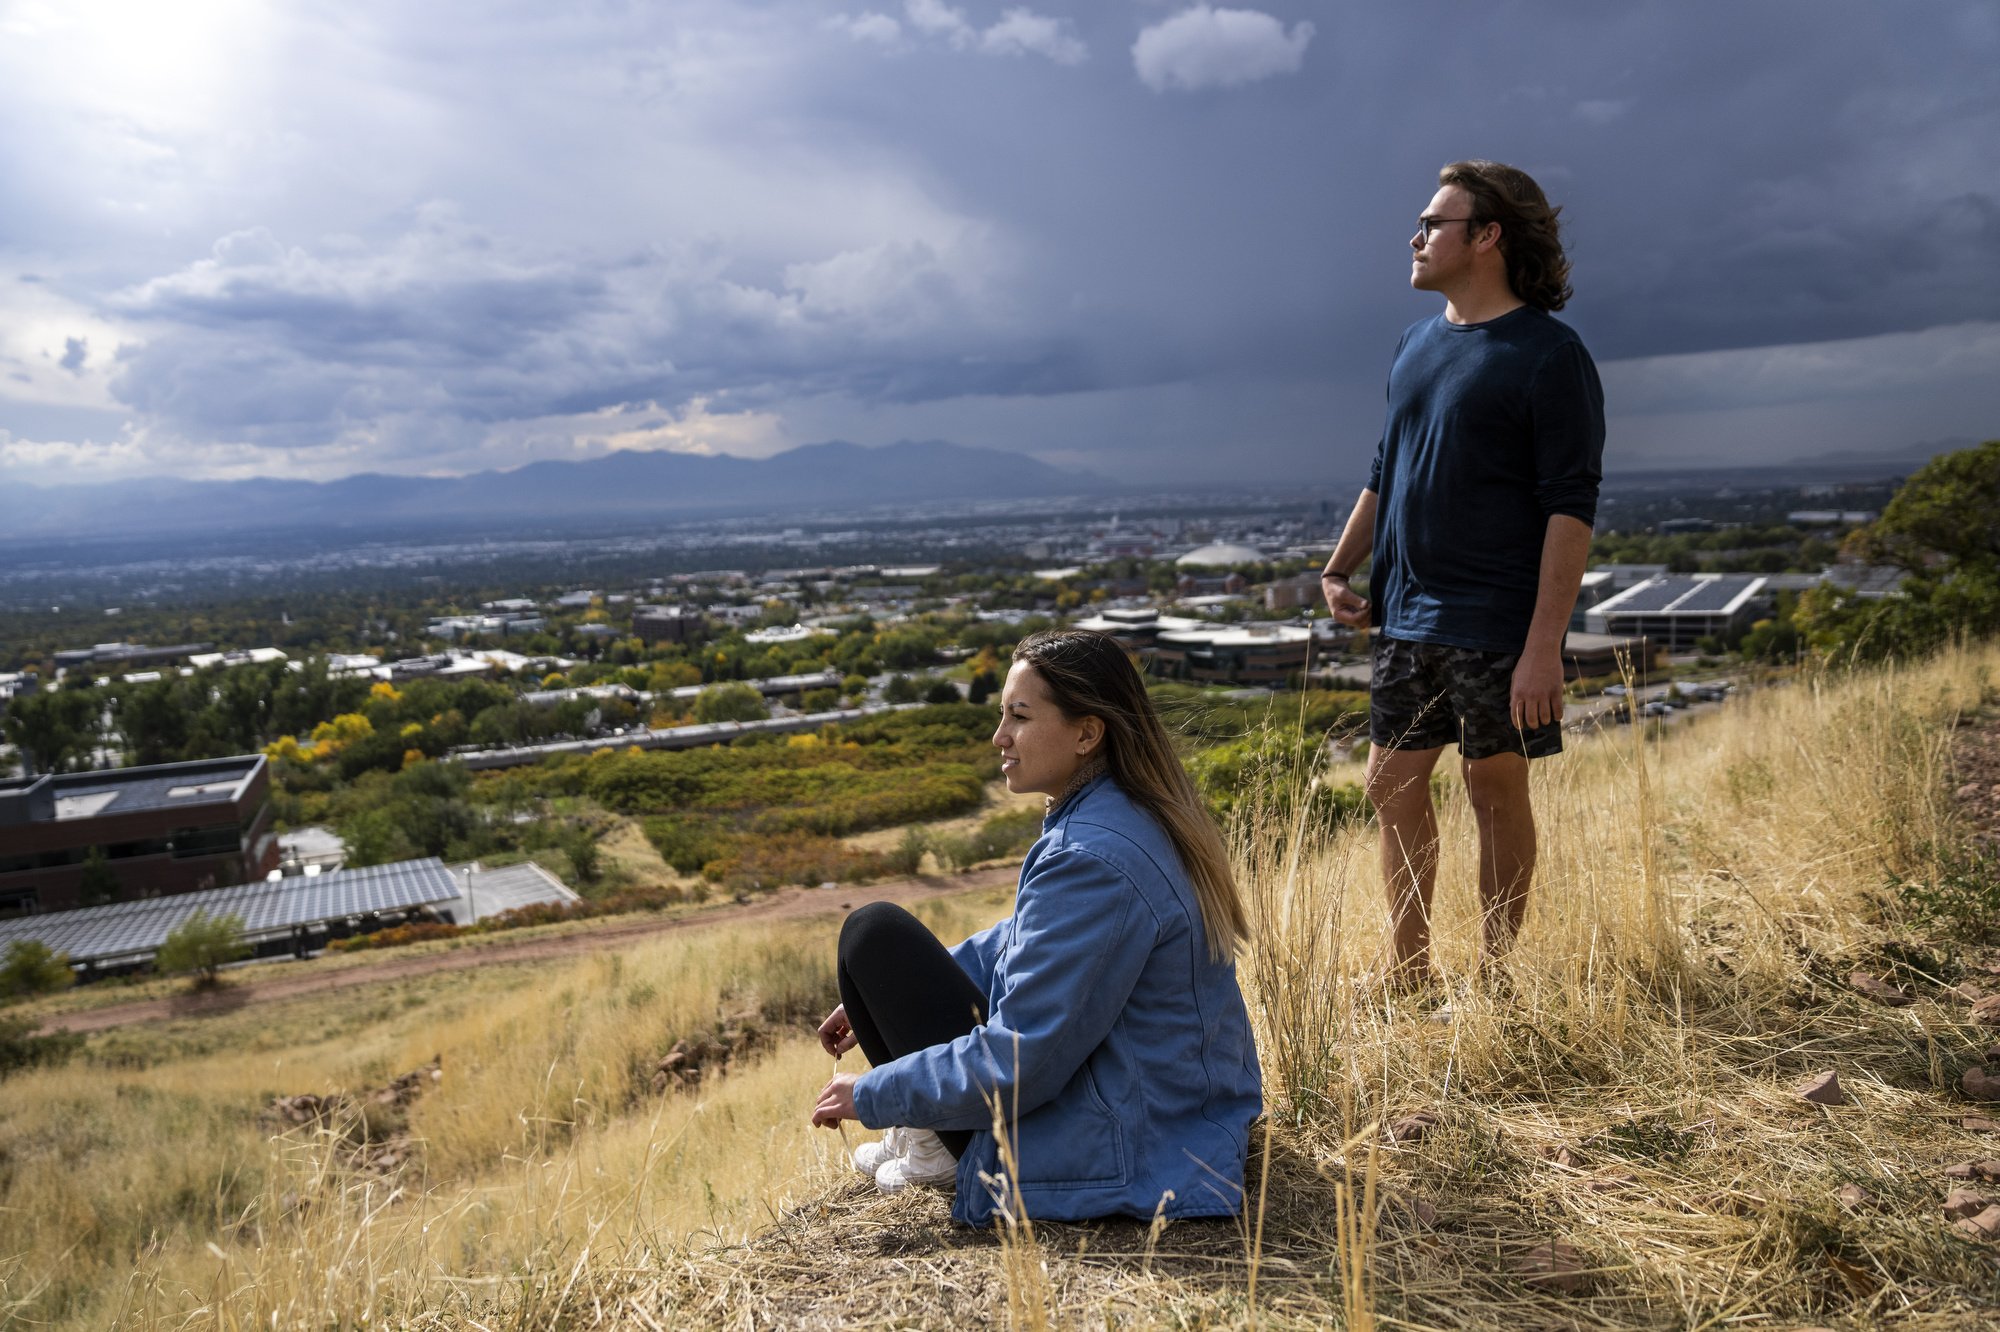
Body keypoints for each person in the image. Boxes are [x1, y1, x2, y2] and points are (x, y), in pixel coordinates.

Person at [808, 628, 1263, 1226]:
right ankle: (929, 1137)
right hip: (1170, 1108)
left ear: (1086, 732)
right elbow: (1035, 936)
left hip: (1129, 1140)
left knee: (871, 932)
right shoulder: (1125, 811)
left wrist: (872, 1094)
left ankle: (941, 1153)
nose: (1000, 737)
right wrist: (906, 986)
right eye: (1002, 716)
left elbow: (1026, 1058)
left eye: (1019, 717)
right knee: (877, 952)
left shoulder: (1092, 856)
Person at [1320, 160, 1604, 994]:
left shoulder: (1550, 355)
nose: (1414, 237)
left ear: (1487, 237)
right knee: (1391, 786)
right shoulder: (1415, 343)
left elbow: (1570, 506)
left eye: (1432, 223)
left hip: (1497, 622)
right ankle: (1409, 973)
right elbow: (1386, 468)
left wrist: (1543, 646)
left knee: (1493, 788)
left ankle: (1497, 978)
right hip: (1406, 615)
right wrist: (1341, 566)